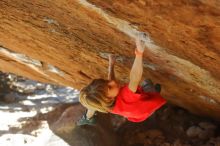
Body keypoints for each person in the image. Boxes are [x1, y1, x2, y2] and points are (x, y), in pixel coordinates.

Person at [79, 34, 166, 123]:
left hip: (135, 114)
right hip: (146, 108)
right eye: (110, 87)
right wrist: (139, 53)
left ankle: (87, 119)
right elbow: (135, 77)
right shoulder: (126, 97)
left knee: (138, 90)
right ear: (110, 99)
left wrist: (111, 64)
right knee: (147, 82)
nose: (112, 82)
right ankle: (154, 92)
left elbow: (110, 82)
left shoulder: (105, 104)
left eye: (106, 82)